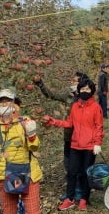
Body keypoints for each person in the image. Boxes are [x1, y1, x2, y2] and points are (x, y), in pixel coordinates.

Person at [42, 78, 104, 211]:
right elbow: (69, 123)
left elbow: (99, 126)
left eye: (87, 89)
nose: (84, 91)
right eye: (82, 89)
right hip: (75, 144)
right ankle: (69, 199)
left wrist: (97, 143)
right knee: (71, 172)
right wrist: (53, 121)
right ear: (78, 90)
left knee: (85, 173)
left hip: (89, 146)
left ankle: (83, 199)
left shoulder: (96, 107)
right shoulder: (75, 106)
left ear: (92, 91)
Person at [34, 71, 89, 201]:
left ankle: (80, 190)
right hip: (69, 136)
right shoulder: (69, 96)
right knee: (68, 164)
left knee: (80, 166)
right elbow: (52, 95)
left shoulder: (87, 98)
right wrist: (40, 84)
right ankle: (71, 190)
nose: (71, 83)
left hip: (82, 139)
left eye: (74, 81)